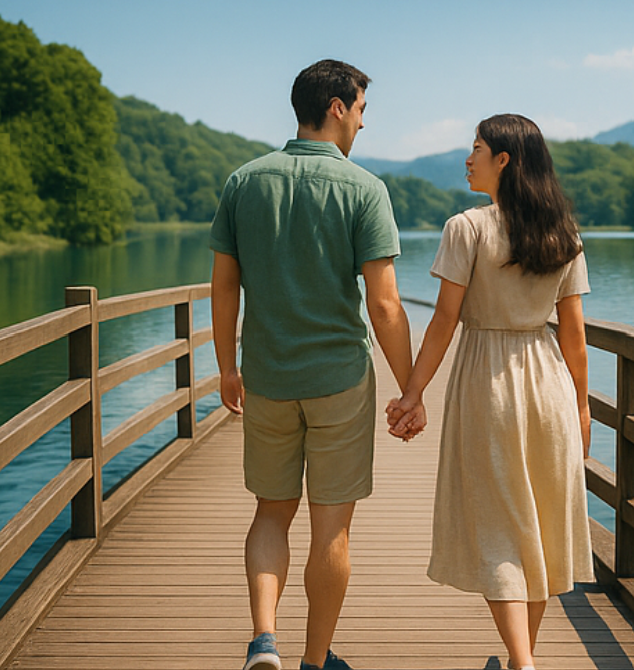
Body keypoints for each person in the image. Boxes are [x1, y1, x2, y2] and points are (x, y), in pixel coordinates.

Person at [210, 59, 414, 670]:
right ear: (336, 107)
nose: (361, 123)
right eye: (360, 110)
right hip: (339, 382)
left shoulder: (244, 182)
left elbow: (224, 287)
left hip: (267, 378)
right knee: (332, 531)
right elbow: (384, 303)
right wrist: (412, 390)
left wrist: (227, 367)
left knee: (271, 512)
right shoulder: (364, 189)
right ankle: (314, 661)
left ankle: (262, 641)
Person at [387, 114, 594, 670]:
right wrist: (581, 405)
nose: (467, 157)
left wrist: (412, 393)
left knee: (499, 527)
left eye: (476, 148)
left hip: (488, 383)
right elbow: (573, 335)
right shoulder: (563, 233)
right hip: (548, 380)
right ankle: (521, 657)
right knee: (542, 523)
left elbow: (443, 323)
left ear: (504, 160)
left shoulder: (467, 227)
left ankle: (521, 662)